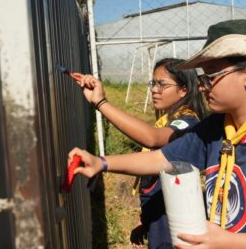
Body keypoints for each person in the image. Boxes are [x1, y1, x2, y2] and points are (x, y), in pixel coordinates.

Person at [70, 20, 246, 248]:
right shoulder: (215, 128)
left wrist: (226, 242)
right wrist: (102, 163)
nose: (203, 86)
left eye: (211, 76)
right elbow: (161, 159)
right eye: (203, 77)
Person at [76, 58, 206, 249]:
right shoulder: (168, 120)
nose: (154, 90)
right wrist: (144, 219)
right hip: (158, 215)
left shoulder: (187, 123)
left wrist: (101, 103)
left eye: (162, 84)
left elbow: (151, 138)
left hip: (171, 221)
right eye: (153, 83)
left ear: (183, 90)